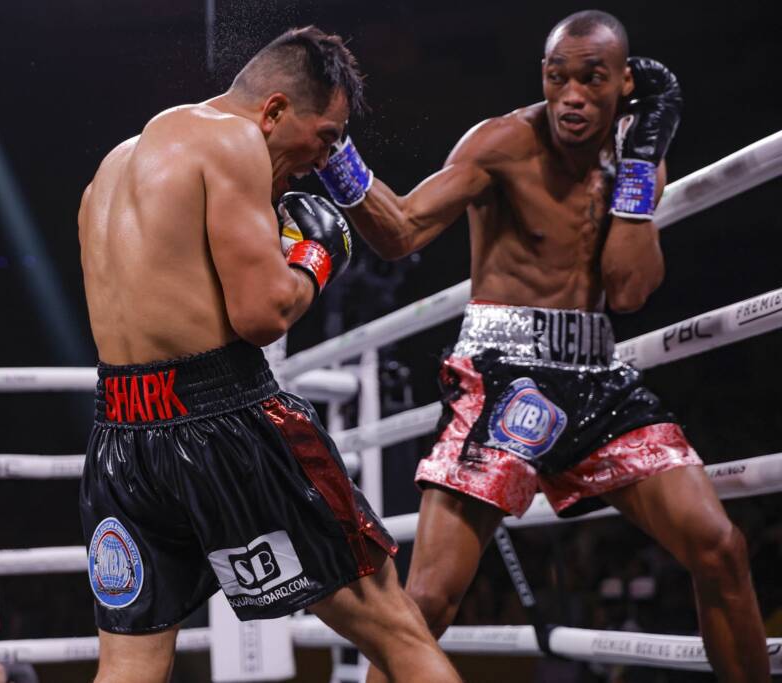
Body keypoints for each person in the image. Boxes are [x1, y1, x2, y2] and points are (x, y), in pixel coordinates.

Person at [314, 10, 769, 683]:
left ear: (624, 83)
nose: (572, 97)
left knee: (720, 547)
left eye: (592, 79)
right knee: (430, 599)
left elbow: (629, 291)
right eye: (559, 78)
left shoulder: (634, 155)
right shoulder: (501, 143)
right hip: (502, 374)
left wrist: (639, 171)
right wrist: (333, 152)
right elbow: (402, 229)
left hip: (597, 377)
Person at [76, 25, 461, 683]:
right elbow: (261, 315)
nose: (323, 160)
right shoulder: (233, 141)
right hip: (224, 422)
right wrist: (315, 254)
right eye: (327, 137)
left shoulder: (115, 165)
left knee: (129, 663)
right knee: (395, 627)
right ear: (275, 109)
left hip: (122, 439)